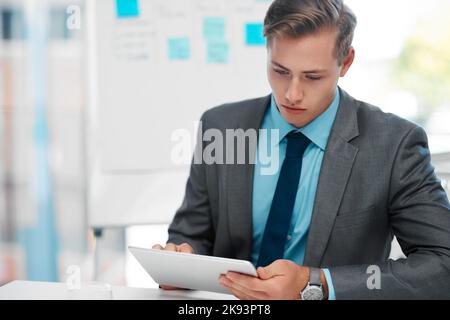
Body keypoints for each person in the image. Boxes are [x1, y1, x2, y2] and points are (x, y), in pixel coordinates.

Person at [152, 0, 450, 299]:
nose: (292, 94)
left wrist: (316, 283)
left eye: (312, 77)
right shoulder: (220, 126)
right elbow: (191, 235)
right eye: (280, 71)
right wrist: (181, 263)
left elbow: (443, 265)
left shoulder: (394, 144)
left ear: (345, 62)